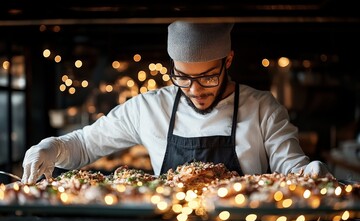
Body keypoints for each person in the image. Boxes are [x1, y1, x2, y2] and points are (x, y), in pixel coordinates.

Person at [21, 20, 332, 184]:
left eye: (208, 77)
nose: (194, 90)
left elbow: (291, 170)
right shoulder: (149, 108)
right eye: (182, 77)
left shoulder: (264, 109)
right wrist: (50, 148)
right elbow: (85, 145)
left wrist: (308, 173)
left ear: (228, 61)